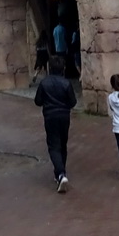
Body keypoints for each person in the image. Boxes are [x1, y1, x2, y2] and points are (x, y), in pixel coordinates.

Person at [34, 54, 76, 192]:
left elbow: (38, 101)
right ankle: (60, 172)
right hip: (64, 116)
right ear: (62, 68)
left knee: (53, 145)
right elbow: (73, 102)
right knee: (62, 144)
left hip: (50, 116)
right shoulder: (66, 83)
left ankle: (60, 173)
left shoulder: (44, 83)